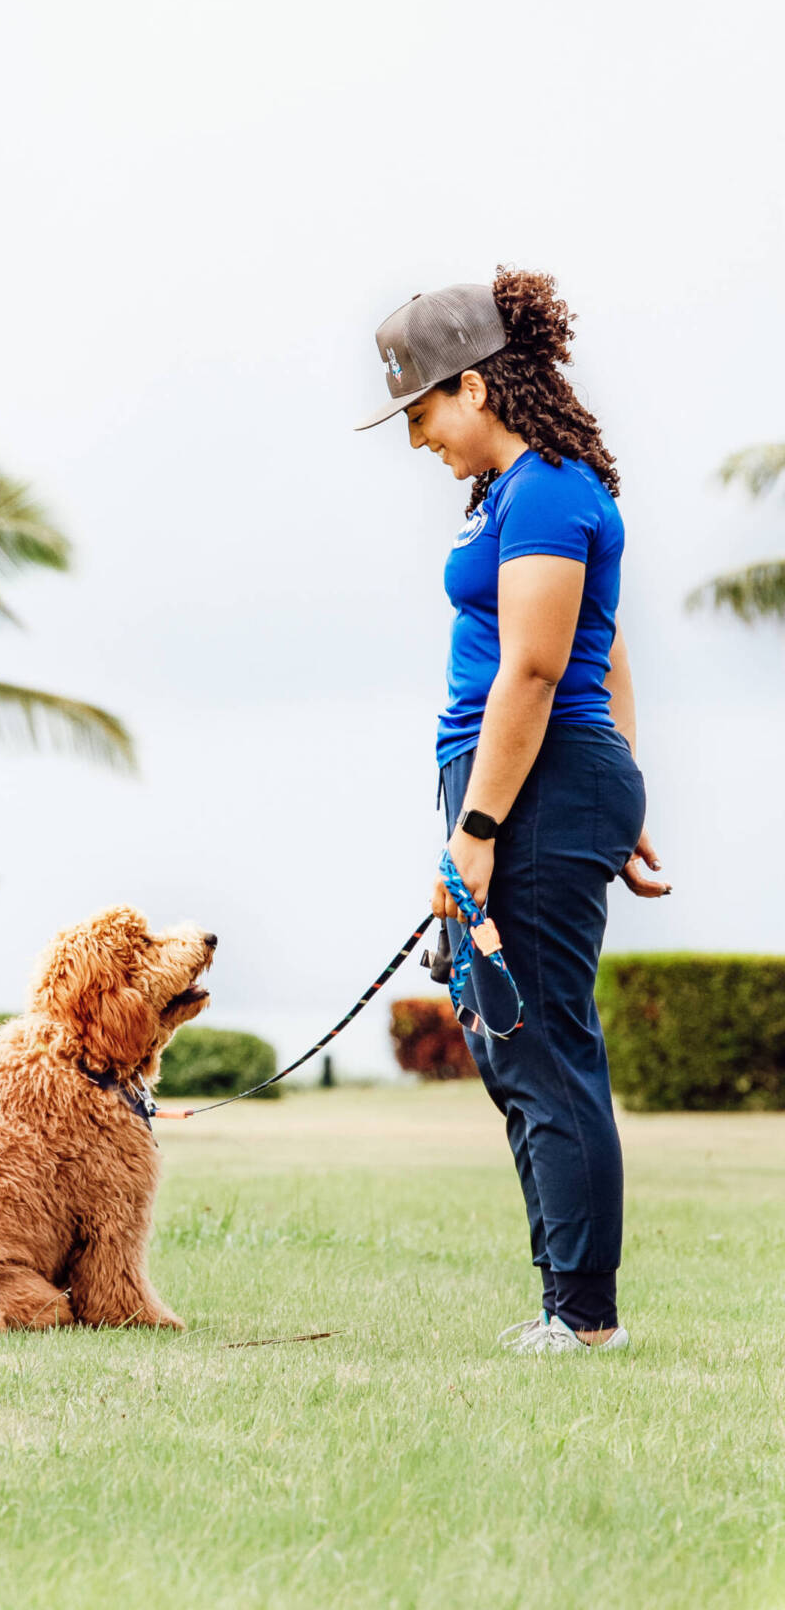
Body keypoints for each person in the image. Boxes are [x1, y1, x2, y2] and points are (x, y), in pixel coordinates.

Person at [355, 269, 671, 1356]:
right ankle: (562, 1302)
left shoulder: (545, 487)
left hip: (528, 785)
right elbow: (606, 642)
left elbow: (537, 671)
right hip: (537, 780)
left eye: (419, 408)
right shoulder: (509, 495)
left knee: (539, 1042)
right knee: (509, 1040)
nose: (413, 437)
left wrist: (476, 836)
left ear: (475, 387)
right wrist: (612, 784)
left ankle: (582, 1317)